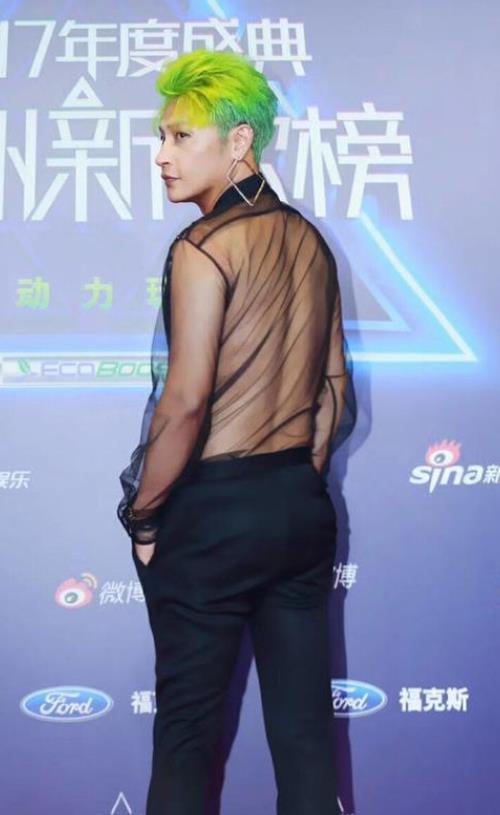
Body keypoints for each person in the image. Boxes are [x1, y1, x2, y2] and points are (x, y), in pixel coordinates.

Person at [116, 49, 356, 815]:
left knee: (187, 738)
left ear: (240, 140)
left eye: (181, 137)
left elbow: (182, 405)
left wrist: (144, 517)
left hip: (212, 516)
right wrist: (291, 485)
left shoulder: (202, 249)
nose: (162, 155)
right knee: (307, 739)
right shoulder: (309, 241)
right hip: (299, 509)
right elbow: (334, 392)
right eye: (161, 136)